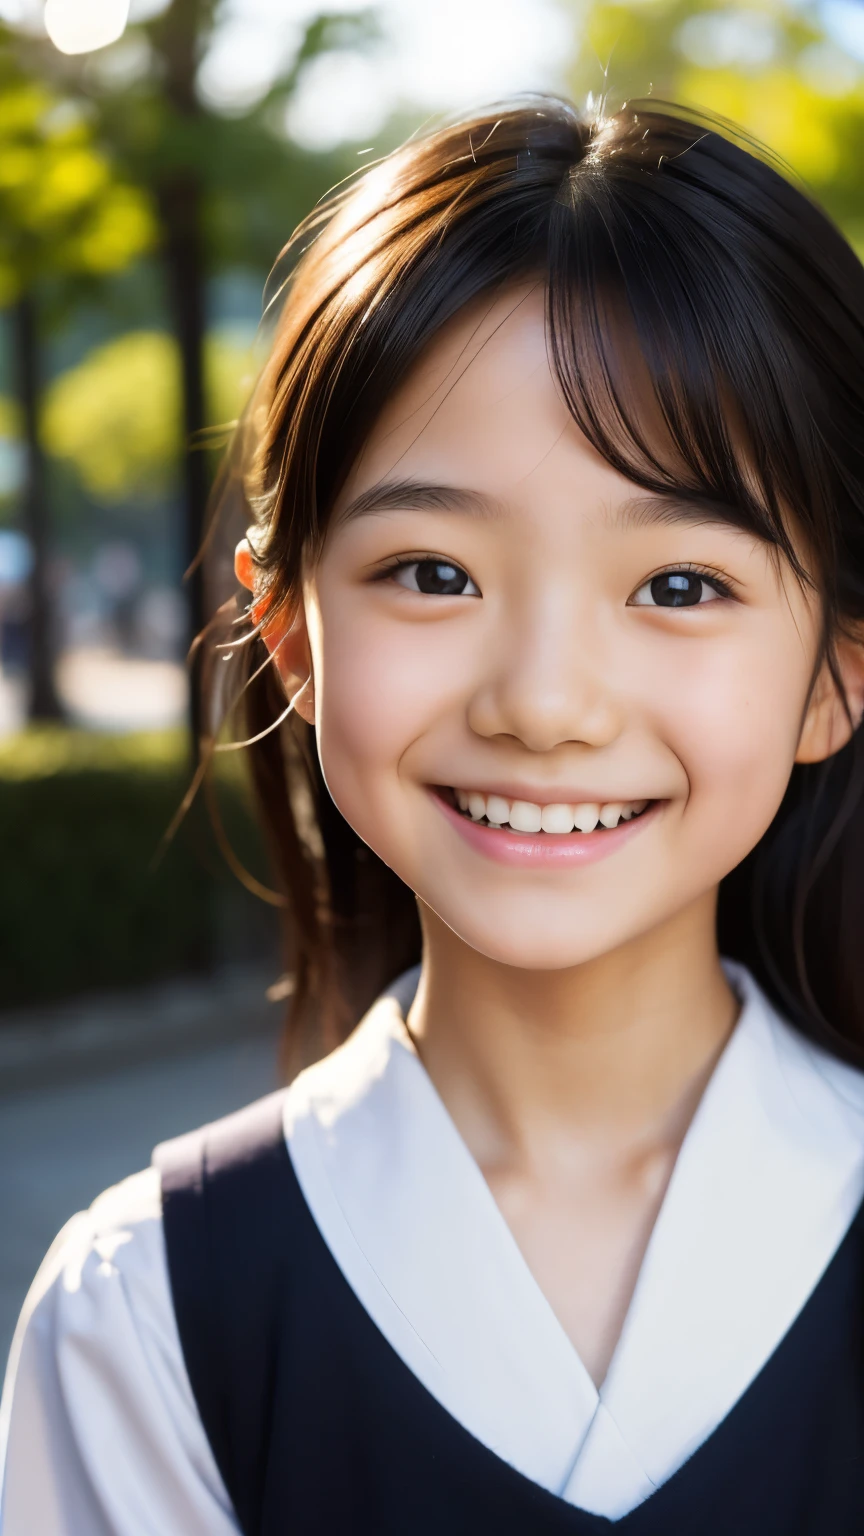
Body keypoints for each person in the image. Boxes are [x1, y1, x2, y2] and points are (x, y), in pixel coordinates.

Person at [4, 96, 864, 1534]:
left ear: (839, 671)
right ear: (286, 629)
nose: (545, 702)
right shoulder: (149, 1314)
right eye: (432, 572)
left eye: (679, 586)